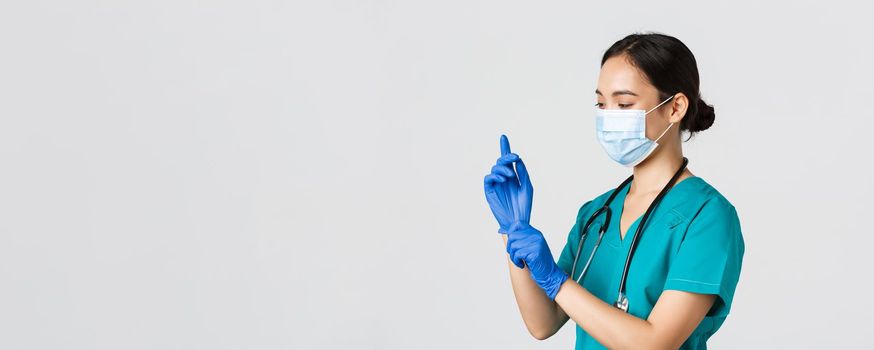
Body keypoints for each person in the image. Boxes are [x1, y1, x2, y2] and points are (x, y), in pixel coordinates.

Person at [483, 32, 745, 349]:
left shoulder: (708, 217)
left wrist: (556, 281)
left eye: (623, 104)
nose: (608, 117)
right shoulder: (596, 215)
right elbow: (543, 322)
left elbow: (654, 343)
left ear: (675, 108)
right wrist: (513, 233)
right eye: (601, 103)